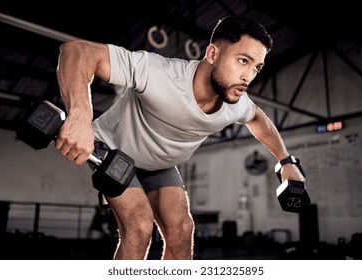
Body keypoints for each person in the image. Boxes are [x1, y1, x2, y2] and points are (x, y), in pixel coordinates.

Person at [55, 15, 305, 260]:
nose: (248, 76)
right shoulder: (158, 73)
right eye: (242, 61)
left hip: (159, 164)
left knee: (182, 232)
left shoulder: (235, 102)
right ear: (213, 54)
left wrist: (286, 162)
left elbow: (258, 119)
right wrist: (79, 115)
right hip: (112, 149)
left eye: (256, 67)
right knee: (140, 227)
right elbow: (77, 51)